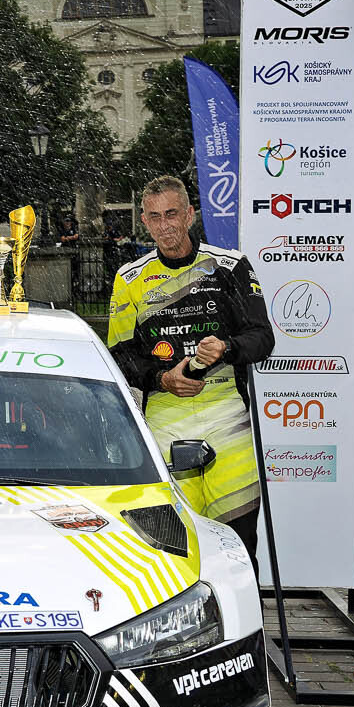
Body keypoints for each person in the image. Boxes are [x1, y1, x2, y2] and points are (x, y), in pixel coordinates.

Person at [106, 175, 274, 552]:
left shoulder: (230, 266)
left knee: (238, 542)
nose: (164, 225)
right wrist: (161, 378)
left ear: (189, 215)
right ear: (144, 222)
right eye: (154, 217)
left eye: (172, 214)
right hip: (165, 419)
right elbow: (119, 356)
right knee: (174, 544)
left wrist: (227, 348)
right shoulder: (130, 278)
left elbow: (263, 337)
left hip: (227, 416)